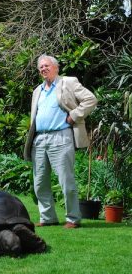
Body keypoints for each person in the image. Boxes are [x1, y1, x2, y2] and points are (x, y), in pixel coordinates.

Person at [24, 54, 97, 229]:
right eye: (40, 67)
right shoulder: (37, 91)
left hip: (61, 137)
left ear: (56, 67)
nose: (43, 69)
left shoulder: (68, 82)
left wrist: (74, 116)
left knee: (66, 181)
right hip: (39, 139)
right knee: (39, 182)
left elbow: (91, 100)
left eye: (47, 66)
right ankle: (48, 217)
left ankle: (73, 218)